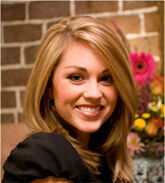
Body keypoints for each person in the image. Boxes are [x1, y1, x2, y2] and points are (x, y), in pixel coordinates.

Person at [2, 16, 138, 183]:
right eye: (76, 77)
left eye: (106, 79)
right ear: (48, 88)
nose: (94, 93)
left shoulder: (105, 161)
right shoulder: (48, 155)